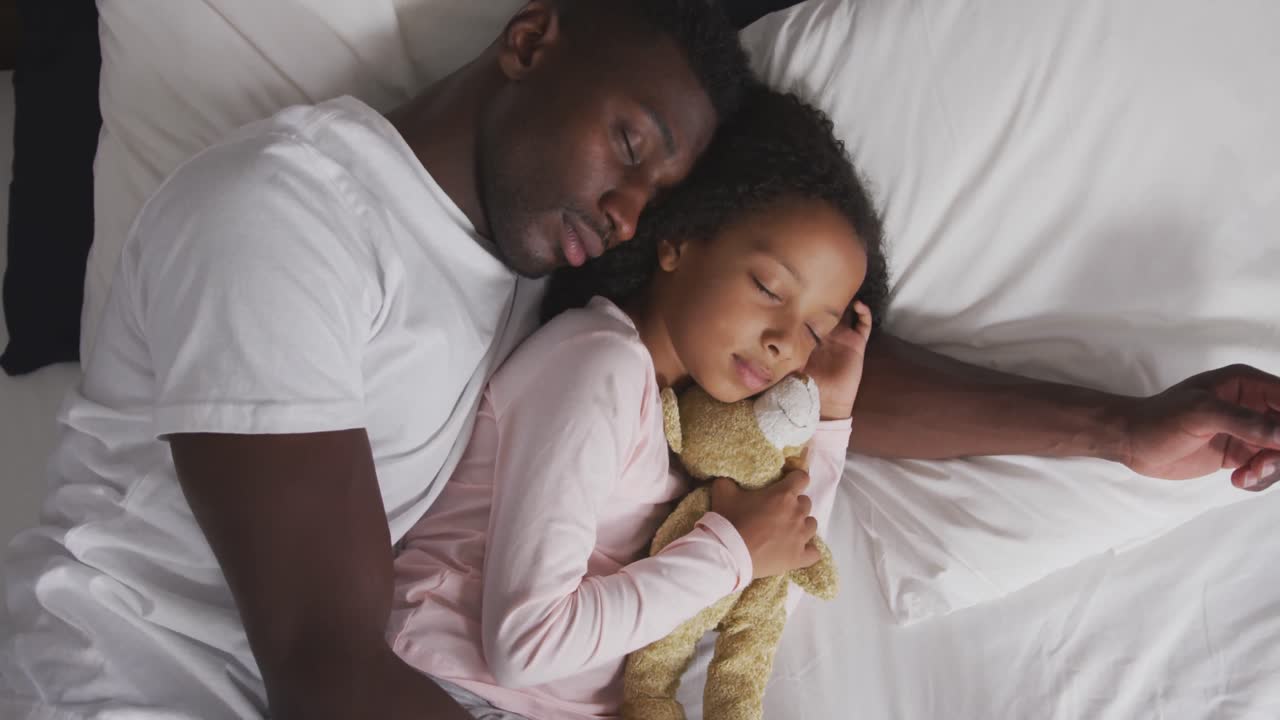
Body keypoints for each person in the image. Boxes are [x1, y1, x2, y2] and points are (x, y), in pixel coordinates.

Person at [0, 2, 754, 719]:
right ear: (528, 43)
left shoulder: (538, 262)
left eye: (654, 201)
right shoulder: (283, 218)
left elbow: (757, 304)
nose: (625, 214)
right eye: (629, 145)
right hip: (117, 683)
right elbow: (328, 672)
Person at [384, 86, 888, 720]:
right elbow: (524, 644)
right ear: (677, 242)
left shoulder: (693, 427)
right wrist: (730, 551)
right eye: (767, 286)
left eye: (815, 330)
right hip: (441, 689)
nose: (785, 341)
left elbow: (775, 576)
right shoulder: (596, 366)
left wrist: (831, 421)